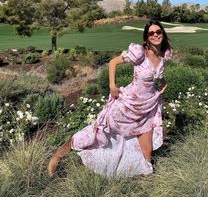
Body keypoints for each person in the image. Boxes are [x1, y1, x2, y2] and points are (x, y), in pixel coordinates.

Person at [48, 19, 173, 177]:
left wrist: (162, 82)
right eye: (151, 33)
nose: (155, 35)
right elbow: (113, 62)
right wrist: (112, 87)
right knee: (101, 132)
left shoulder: (164, 54)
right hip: (127, 105)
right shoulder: (140, 52)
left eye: (158, 32)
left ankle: (146, 180)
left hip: (148, 107)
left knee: (147, 151)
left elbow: (156, 75)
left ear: (163, 33)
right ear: (147, 37)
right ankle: (60, 153)